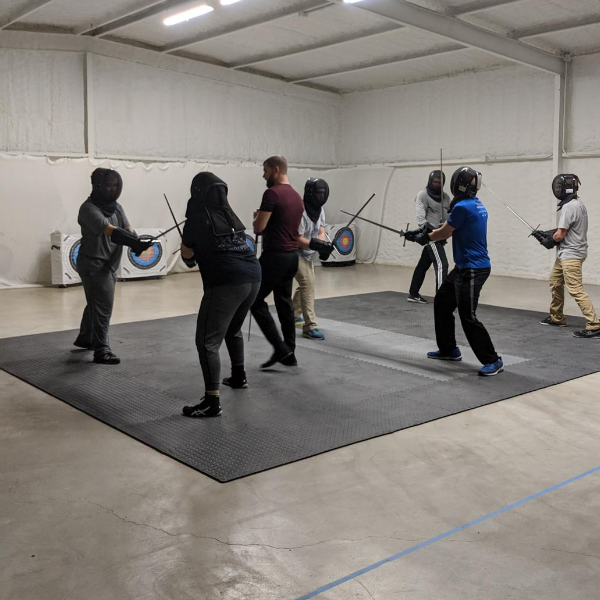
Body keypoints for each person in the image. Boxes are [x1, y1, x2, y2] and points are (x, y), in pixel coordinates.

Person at [404, 166, 503, 376]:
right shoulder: (476, 203)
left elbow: (443, 233)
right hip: (464, 267)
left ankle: (493, 360)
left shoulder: (462, 207)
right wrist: (424, 233)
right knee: (442, 303)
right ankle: (449, 349)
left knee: (468, 315)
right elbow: (449, 230)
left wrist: (423, 237)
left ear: (458, 184)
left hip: (473, 269)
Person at [180, 172, 262, 418]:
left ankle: (211, 402)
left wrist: (191, 250)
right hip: (254, 277)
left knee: (207, 343)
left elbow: (187, 258)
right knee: (232, 329)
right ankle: (239, 376)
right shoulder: (230, 214)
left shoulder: (195, 217)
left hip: (226, 282)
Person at [74, 168, 152, 365]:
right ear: (98, 186)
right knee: (103, 305)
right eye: (108, 185)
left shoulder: (116, 207)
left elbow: (127, 229)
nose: (112, 189)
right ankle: (101, 350)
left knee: (96, 301)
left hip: (107, 264)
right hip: (93, 264)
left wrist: (136, 240)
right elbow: (111, 231)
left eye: (115, 185)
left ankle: (86, 338)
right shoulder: (88, 208)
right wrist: (132, 242)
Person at [250, 156, 306, 368]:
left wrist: (256, 217)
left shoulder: (272, 194)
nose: (263, 175)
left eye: (265, 170)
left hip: (275, 256)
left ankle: (280, 349)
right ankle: (289, 352)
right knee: (284, 303)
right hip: (292, 257)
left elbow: (258, 228)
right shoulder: (296, 196)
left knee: (254, 300)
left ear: (275, 169)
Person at [533, 174, 600, 338]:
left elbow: (561, 234)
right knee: (555, 281)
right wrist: (548, 233)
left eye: (559, 188)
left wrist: (548, 240)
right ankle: (557, 317)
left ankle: (594, 325)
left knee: (576, 289)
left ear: (566, 189)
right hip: (568, 252)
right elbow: (567, 228)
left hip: (571, 254)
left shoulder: (569, 207)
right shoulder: (578, 203)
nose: (557, 190)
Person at [293, 178, 334, 340]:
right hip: (293, 252)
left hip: (308, 252)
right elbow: (296, 239)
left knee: (307, 283)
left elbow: (321, 230)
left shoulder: (320, 210)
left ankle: (294, 314)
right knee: (307, 283)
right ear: (311, 193)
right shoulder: (300, 211)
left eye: (324, 192)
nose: (321, 196)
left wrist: (323, 245)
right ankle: (310, 327)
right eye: (319, 192)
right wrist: (314, 244)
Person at [407, 170, 451, 303]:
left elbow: (449, 218)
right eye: (435, 182)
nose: (437, 184)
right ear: (430, 181)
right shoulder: (422, 195)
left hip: (441, 235)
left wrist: (444, 232)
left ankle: (413, 294)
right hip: (431, 236)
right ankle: (442, 301)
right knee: (442, 264)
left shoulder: (446, 197)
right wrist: (431, 233)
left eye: (440, 182)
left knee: (423, 265)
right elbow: (421, 219)